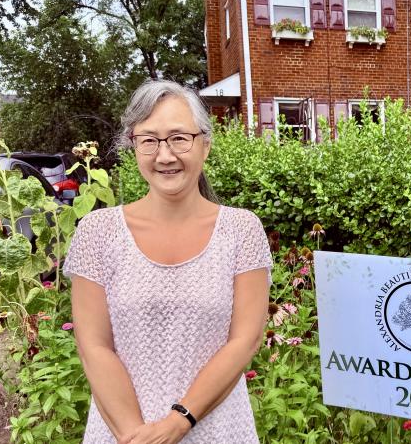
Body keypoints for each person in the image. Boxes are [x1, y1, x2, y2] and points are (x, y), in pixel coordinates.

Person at [63, 79, 272, 443]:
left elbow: (246, 339)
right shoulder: (98, 232)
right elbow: (93, 345)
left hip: (218, 431)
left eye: (179, 138)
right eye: (150, 140)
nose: (165, 155)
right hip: (122, 431)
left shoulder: (242, 230)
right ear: (134, 146)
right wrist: (136, 436)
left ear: (204, 145)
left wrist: (179, 422)